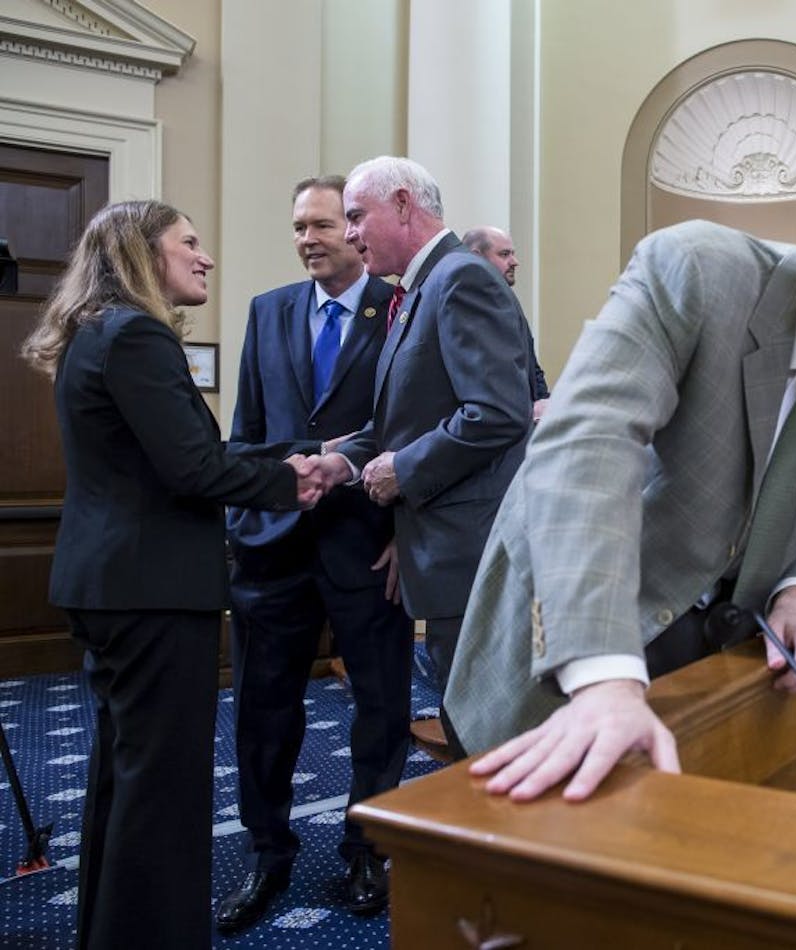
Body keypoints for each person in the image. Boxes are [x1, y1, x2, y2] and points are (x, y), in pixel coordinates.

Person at [444, 159, 796, 802]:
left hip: (703, 671)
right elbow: (585, 451)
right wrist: (603, 678)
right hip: (569, 632)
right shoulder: (696, 272)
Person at [20, 200, 322, 950]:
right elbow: (193, 467)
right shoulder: (138, 336)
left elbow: (177, 455)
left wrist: (291, 453)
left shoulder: (96, 334)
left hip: (112, 584)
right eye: (188, 242)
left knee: (127, 780)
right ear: (142, 254)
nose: (205, 257)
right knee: (163, 789)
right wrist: (295, 480)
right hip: (151, 590)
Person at [215, 176, 415, 932]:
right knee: (264, 714)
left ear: (356, 231)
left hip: (368, 544)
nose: (308, 239)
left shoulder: (398, 309)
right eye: (299, 226)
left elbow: (413, 431)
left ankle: (368, 846)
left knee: (381, 708)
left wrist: (406, 532)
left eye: (324, 224)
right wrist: (297, 464)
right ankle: (268, 855)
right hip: (271, 551)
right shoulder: (269, 312)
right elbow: (246, 437)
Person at [307, 157, 536, 706]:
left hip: (470, 557)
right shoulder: (420, 290)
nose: (351, 234)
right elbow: (410, 416)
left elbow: (497, 413)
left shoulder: (460, 278)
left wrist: (402, 470)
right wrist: (347, 461)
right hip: (444, 556)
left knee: (482, 735)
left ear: (404, 204)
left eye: (357, 215)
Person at [460, 225, 550, 421]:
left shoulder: (507, 300)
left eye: (513, 254)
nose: (515, 262)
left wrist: (543, 404)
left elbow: (531, 368)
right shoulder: (466, 305)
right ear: (477, 256)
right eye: (504, 254)